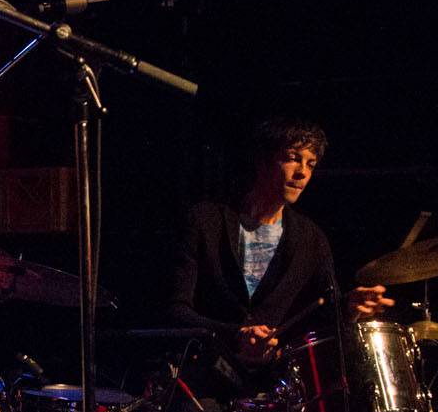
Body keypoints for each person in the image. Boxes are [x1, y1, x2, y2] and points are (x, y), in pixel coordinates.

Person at [162, 118, 391, 388]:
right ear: (262, 162)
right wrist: (235, 335)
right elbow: (175, 310)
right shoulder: (205, 221)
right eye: (293, 159)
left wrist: (349, 308)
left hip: (274, 390)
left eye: (311, 164)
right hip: (201, 381)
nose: (302, 173)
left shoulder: (311, 238)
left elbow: (326, 321)